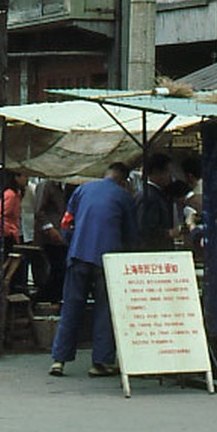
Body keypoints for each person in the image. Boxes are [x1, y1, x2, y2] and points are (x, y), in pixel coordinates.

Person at [48, 162, 138, 378]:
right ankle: (100, 362)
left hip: (78, 254)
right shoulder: (124, 197)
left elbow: (66, 223)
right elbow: (131, 234)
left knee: (71, 306)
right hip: (107, 259)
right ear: (124, 180)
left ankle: (59, 360)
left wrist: (74, 243)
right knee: (105, 310)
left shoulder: (82, 189)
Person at [32, 179, 68, 303]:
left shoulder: (66, 186)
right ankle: (42, 298)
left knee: (60, 269)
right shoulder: (46, 185)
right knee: (55, 268)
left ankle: (53, 298)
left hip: (62, 234)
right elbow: (39, 210)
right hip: (48, 237)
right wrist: (49, 228)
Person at [137, 152, 174, 251]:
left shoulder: (156, 193)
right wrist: (169, 233)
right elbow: (146, 228)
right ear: (156, 172)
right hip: (153, 251)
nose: (170, 176)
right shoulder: (150, 196)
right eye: (167, 172)